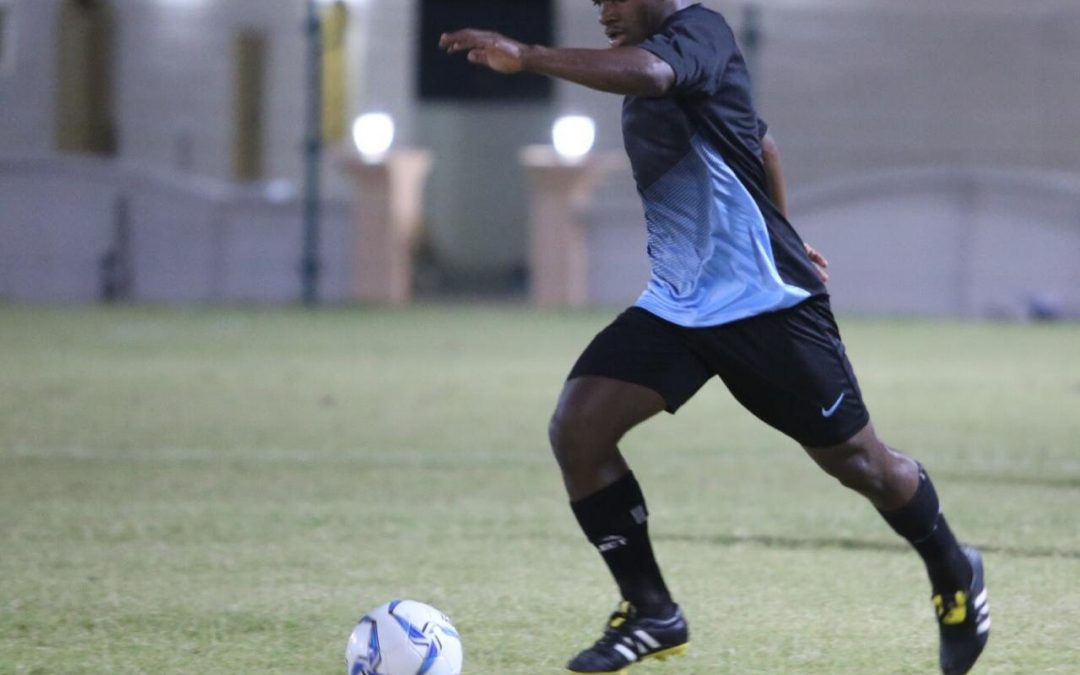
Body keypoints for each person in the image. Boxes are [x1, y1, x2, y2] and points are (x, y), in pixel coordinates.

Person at [441, 2, 990, 673]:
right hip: (679, 306)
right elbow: (762, 144)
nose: (603, 11)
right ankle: (651, 610)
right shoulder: (652, 61)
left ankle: (953, 566)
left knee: (862, 463)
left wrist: (528, 57)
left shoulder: (698, 33)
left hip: (767, 307)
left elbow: (652, 74)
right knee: (578, 428)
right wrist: (786, 227)